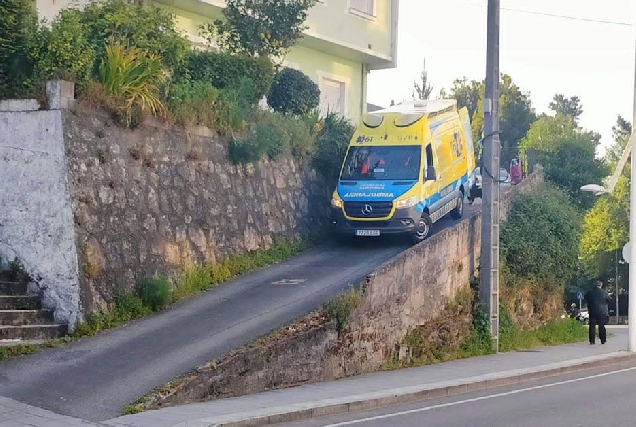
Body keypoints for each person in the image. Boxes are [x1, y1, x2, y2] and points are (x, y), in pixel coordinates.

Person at [584, 280, 612, 345]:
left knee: (592, 326)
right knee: (601, 326)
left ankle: (592, 341)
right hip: (602, 312)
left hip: (592, 312)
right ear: (601, 285)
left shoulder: (589, 293)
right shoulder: (604, 293)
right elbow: (609, 300)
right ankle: (603, 340)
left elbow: (585, 298)